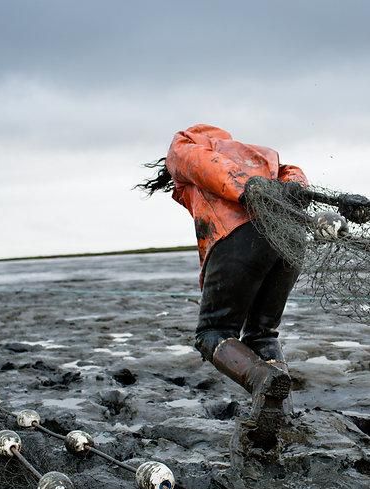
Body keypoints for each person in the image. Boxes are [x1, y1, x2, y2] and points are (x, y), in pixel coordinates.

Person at [138, 124, 347, 439]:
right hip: (291, 236)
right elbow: (294, 173)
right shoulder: (261, 155)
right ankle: (280, 415)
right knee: (262, 334)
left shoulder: (185, 143)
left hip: (242, 236)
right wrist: (286, 188)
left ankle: (263, 381)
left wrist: (246, 188)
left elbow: (200, 162)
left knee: (213, 333)